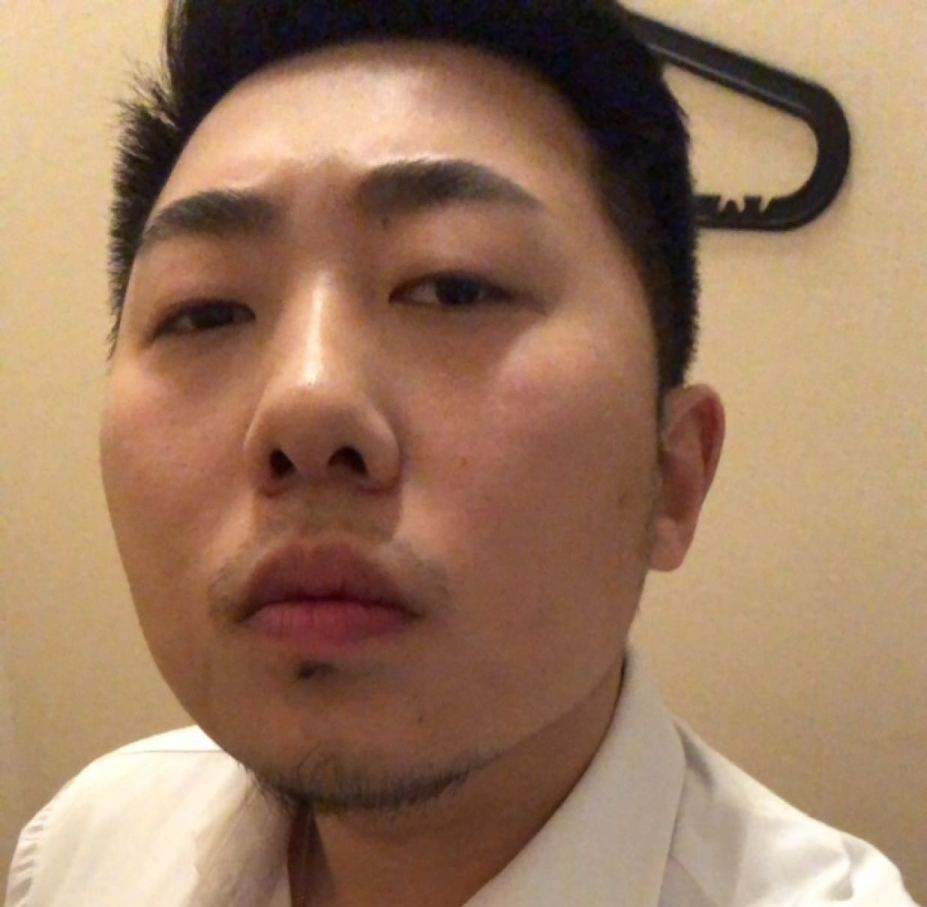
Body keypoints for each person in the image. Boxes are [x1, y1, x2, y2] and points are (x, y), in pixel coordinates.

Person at [5, 1, 917, 905]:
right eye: (205, 312)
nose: (306, 404)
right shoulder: (88, 848)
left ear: (671, 476)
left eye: (453, 287)